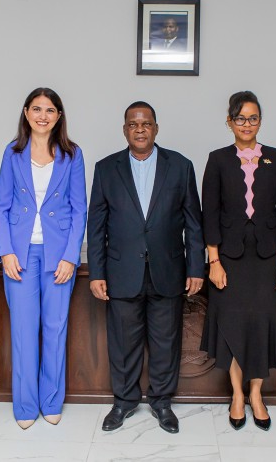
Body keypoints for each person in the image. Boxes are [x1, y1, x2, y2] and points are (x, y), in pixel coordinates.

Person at [87, 101, 205, 434]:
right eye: (133, 124)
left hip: (168, 271)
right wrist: (97, 273)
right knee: (123, 343)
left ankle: (162, 402)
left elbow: (194, 223)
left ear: (156, 127)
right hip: (121, 272)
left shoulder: (180, 166)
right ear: (125, 129)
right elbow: (96, 226)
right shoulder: (107, 168)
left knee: (166, 341)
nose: (140, 130)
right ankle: (124, 402)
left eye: (146, 123)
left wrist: (196, 268)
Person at [201, 91, 276, 431]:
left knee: (261, 326)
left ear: (260, 121)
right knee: (234, 326)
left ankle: (257, 394)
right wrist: (213, 260)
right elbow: (208, 215)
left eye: (252, 118)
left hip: (268, 258)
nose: (246, 124)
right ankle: (237, 394)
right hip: (229, 258)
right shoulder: (217, 159)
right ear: (229, 122)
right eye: (239, 118)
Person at [0, 87, 87, 429]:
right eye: (37, 109)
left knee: (55, 328)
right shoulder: (13, 152)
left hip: (57, 255)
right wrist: (5, 251)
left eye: (50, 110)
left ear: (59, 116)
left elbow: (79, 210)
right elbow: (0, 206)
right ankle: (25, 405)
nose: (43, 115)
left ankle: (51, 401)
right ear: (26, 112)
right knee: (23, 330)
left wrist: (69, 257)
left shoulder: (72, 154)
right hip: (20, 255)